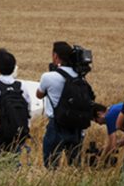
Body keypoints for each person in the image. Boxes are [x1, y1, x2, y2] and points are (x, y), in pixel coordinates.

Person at [36, 41, 87, 169]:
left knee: (51, 166)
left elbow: (39, 95)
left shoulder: (48, 77)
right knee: (75, 166)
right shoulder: (80, 76)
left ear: (55, 56)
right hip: (76, 126)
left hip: (56, 125)